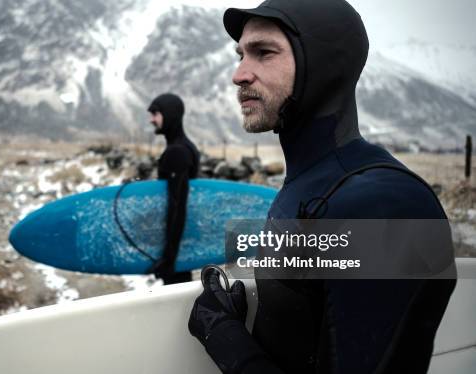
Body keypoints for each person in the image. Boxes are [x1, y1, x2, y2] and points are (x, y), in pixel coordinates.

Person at [188, 1, 456, 373]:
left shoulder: (384, 206)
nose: (239, 74)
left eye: (264, 53)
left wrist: (224, 337)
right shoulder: (312, 183)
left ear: (323, 66)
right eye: (240, 55)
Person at [147, 93, 200, 284]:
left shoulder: (177, 152)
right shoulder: (185, 147)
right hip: (180, 245)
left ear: (169, 115)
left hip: (175, 248)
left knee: (178, 306)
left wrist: (169, 259)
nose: (151, 119)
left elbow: (178, 206)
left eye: (155, 113)